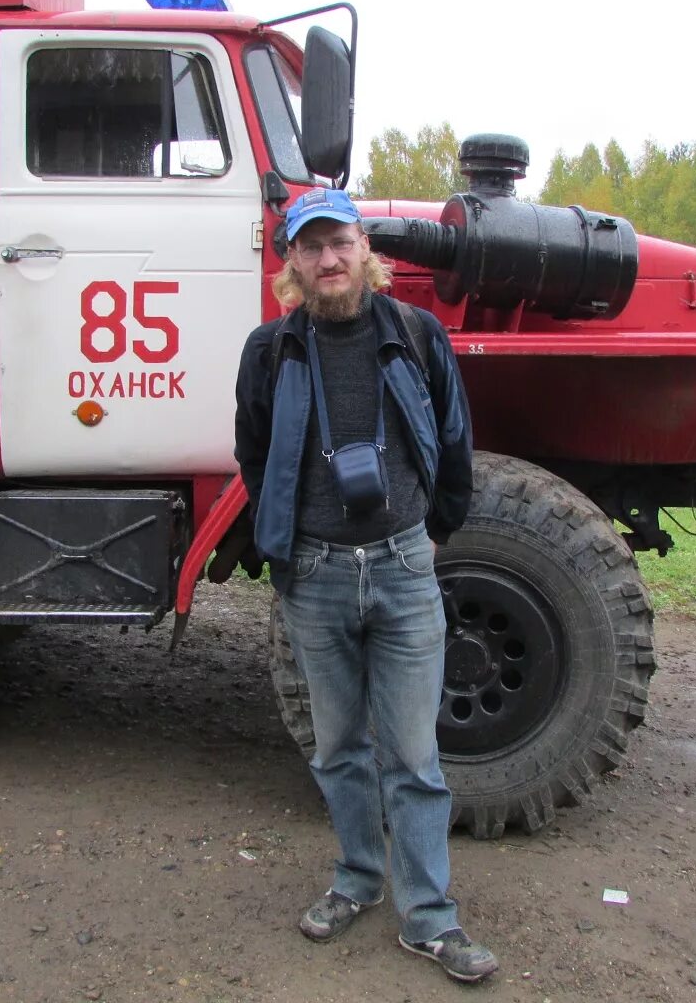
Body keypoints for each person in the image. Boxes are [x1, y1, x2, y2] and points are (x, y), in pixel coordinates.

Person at [233, 187, 498, 984]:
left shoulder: (416, 335)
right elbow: (252, 453)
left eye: (340, 242)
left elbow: (455, 441)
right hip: (313, 574)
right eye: (311, 248)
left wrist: (432, 533)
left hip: (403, 568)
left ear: (364, 251)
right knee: (339, 748)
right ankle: (356, 879)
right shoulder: (268, 349)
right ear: (294, 265)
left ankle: (430, 918)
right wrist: (282, 547)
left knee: (414, 756)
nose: (329, 259)